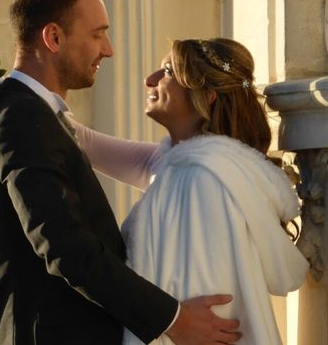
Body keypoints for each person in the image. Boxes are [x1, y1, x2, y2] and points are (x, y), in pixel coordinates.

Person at [0, 0, 242, 345]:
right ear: (54, 37)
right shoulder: (24, 118)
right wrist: (174, 319)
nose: (107, 49)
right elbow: (64, 247)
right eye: (97, 34)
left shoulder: (11, 112)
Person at [71, 38, 310, 344]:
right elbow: (80, 141)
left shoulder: (201, 180)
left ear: (206, 96)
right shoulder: (184, 164)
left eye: (167, 71)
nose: (150, 80)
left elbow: (207, 310)